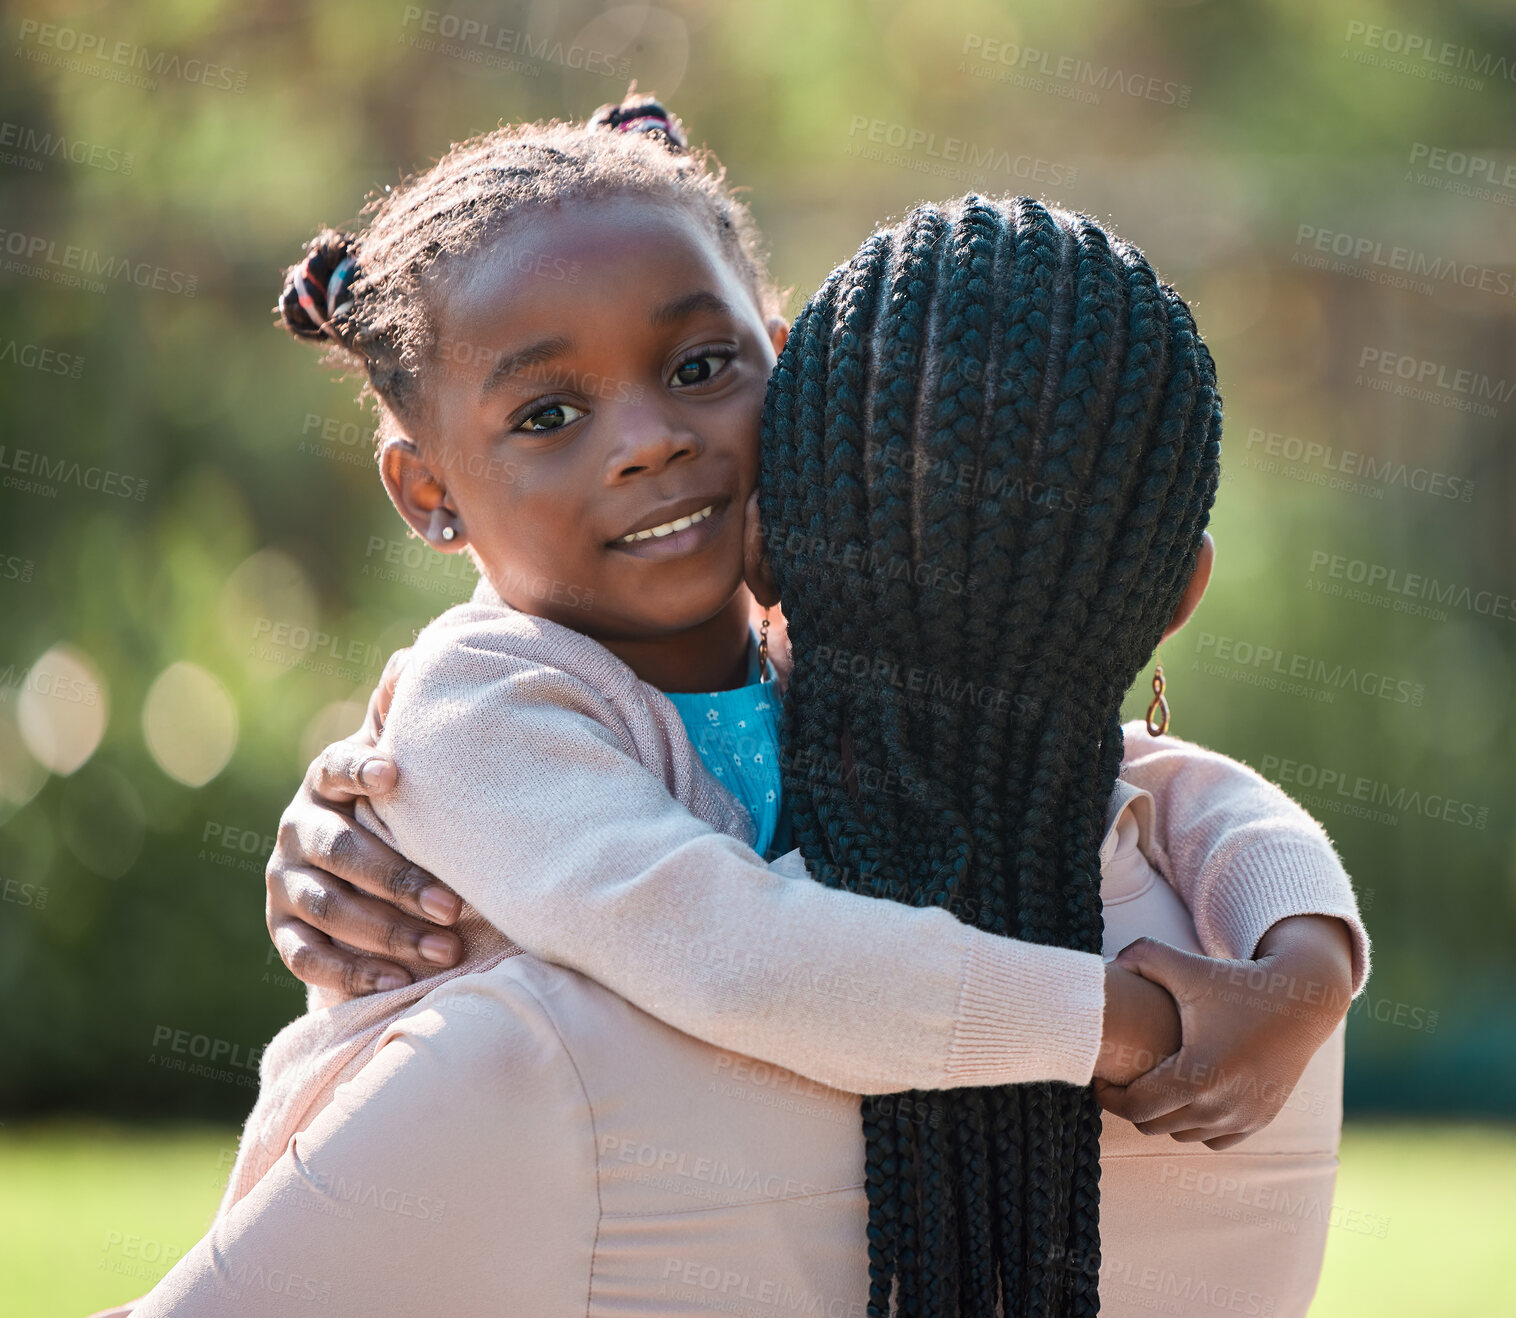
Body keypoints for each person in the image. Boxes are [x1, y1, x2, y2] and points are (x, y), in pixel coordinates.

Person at [121, 102, 1364, 1317]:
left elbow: (1181, 785)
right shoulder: (481, 707)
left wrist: (1304, 967)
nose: (650, 440)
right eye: (549, 414)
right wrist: (1129, 1024)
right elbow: (740, 953)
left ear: (789, 369)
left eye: (701, 367)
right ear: (427, 489)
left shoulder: (802, 670)